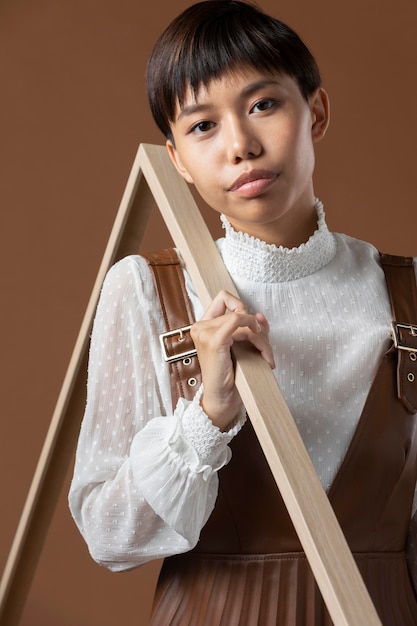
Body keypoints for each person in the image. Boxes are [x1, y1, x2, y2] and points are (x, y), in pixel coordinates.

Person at [69, 1, 417, 623]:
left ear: (316, 111)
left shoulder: (407, 294)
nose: (241, 145)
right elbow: (106, 535)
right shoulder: (148, 289)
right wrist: (208, 415)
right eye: (202, 126)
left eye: (263, 104)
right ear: (175, 159)